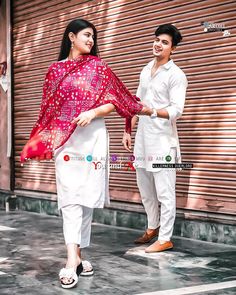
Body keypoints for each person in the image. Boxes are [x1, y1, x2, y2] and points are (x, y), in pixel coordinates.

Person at [20, 19, 154, 289]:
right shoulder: (54, 70)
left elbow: (116, 101)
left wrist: (92, 112)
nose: (91, 40)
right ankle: (71, 259)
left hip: (92, 137)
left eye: (93, 36)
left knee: (86, 198)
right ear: (71, 37)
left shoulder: (99, 68)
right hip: (66, 141)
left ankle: (79, 257)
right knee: (69, 197)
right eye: (86, 35)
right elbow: (48, 110)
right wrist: (45, 139)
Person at [123, 24, 188, 253]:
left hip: (163, 141)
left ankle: (166, 238)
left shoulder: (177, 75)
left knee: (165, 192)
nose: (158, 44)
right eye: (157, 39)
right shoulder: (145, 69)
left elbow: (176, 110)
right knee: (145, 188)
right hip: (142, 138)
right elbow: (136, 102)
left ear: (173, 48)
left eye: (165, 42)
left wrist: (151, 111)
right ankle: (152, 226)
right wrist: (128, 130)